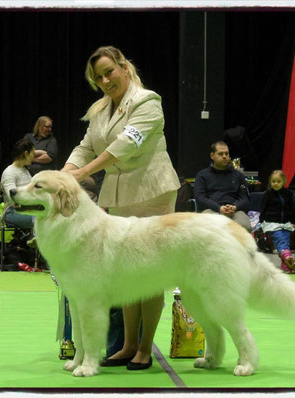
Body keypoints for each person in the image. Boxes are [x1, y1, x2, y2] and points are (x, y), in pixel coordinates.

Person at [61, 45, 180, 370]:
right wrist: (65, 173)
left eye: (108, 71)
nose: (104, 80)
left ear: (124, 67)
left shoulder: (147, 101)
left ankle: (144, 348)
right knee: (126, 271)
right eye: (98, 77)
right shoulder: (100, 109)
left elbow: (126, 145)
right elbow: (85, 146)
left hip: (153, 190)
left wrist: (83, 174)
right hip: (118, 193)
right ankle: (127, 344)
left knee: (151, 271)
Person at [194, 141, 251, 231]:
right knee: (211, 228)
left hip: (234, 211)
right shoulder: (202, 175)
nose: (224, 156)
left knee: (245, 225)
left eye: (226, 153)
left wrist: (235, 207)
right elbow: (200, 198)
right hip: (211, 210)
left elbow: (245, 199)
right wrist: (219, 208)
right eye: (220, 154)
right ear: (212, 156)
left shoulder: (238, 175)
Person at [259, 170, 295, 274]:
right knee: (280, 240)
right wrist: (261, 221)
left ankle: (286, 265)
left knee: (285, 242)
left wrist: (293, 221)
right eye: (273, 181)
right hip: (272, 223)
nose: (275, 183)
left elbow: (292, 208)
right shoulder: (268, 194)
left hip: (286, 223)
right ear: (270, 182)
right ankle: (287, 256)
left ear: (284, 181)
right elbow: (263, 208)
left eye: (278, 181)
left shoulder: (288, 194)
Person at [1, 139, 35, 229]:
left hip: (28, 209)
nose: (33, 157)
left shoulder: (25, 170)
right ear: (26, 153)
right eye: (33, 154)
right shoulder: (9, 172)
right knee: (41, 218)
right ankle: (36, 239)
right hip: (13, 212)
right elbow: (13, 198)